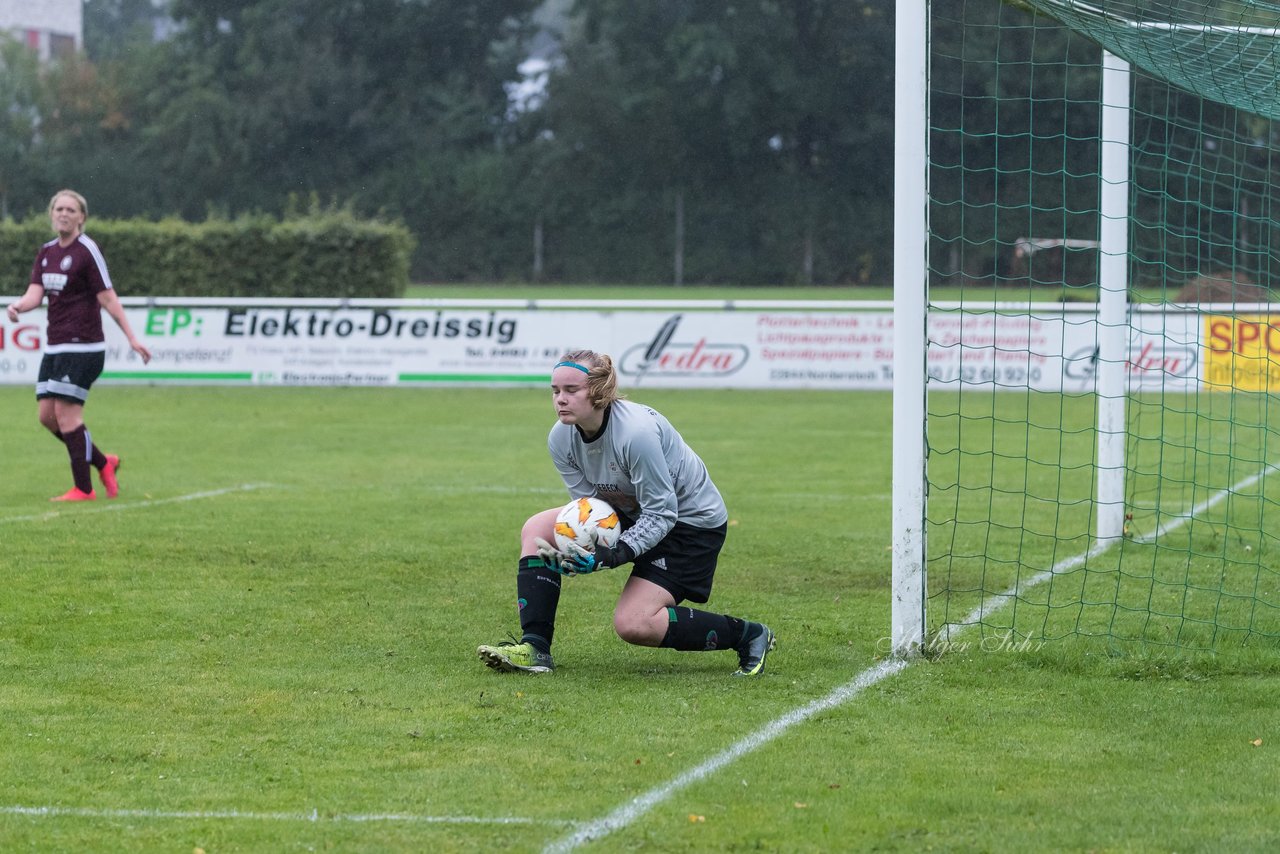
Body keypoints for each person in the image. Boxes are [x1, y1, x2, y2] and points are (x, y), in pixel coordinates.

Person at [477, 349, 775, 677]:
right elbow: (588, 508)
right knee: (537, 529)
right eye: (555, 391)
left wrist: (611, 554)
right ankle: (534, 647)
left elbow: (662, 513)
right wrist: (578, 548)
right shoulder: (560, 438)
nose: (560, 399)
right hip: (631, 510)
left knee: (634, 624)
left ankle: (748, 634)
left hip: (690, 525)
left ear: (599, 391)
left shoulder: (636, 433)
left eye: (571, 390)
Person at [6, 189, 152, 502]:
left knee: (68, 415)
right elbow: (36, 293)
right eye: (59, 208)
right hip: (56, 346)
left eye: (71, 210)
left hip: (84, 348)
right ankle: (103, 462)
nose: (64, 213)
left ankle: (83, 489)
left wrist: (132, 337)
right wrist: (18, 305)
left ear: (81, 217)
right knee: (47, 416)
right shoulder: (46, 252)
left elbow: (107, 297)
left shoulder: (87, 250)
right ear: (51, 214)